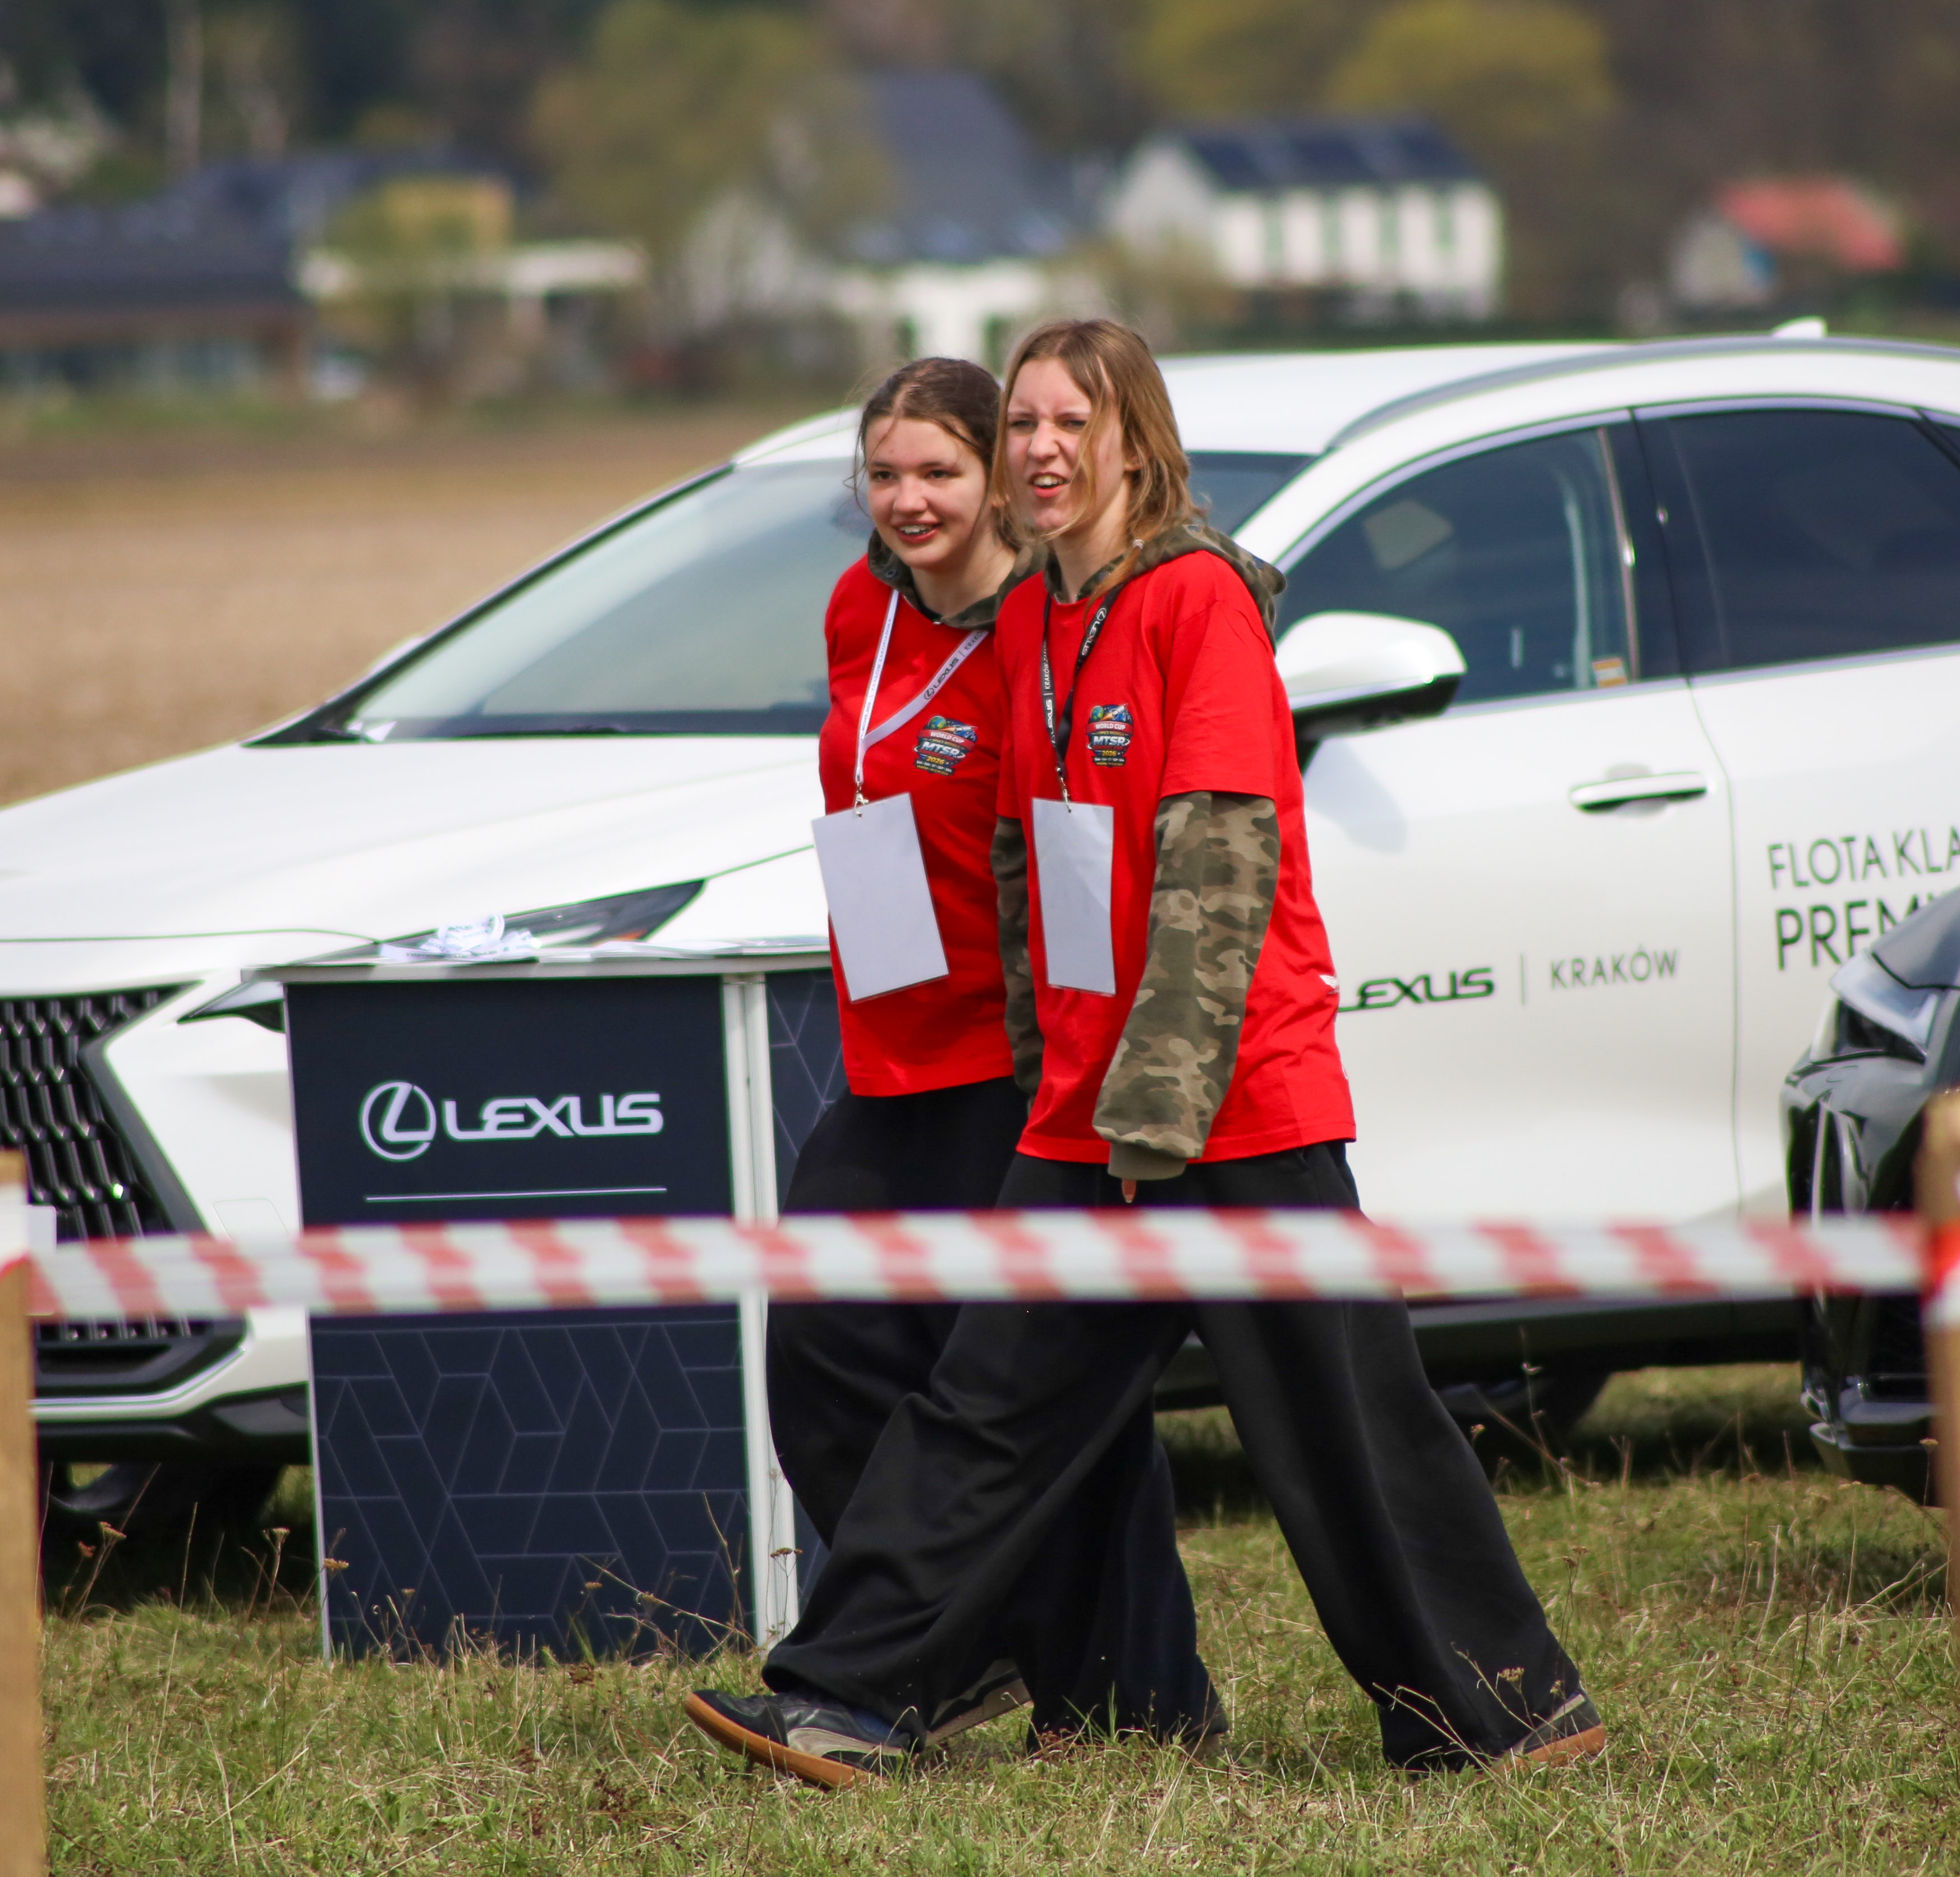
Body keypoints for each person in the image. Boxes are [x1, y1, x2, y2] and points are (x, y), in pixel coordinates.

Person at [687, 320, 1603, 1786]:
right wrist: (1063, 1083)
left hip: (1231, 1110)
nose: (1044, 450)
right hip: (1086, 1119)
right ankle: (850, 1695)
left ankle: (1506, 1712)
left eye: (1073, 423)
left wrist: (1159, 1111)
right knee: (983, 1409)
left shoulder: (1199, 604)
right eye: (1026, 425)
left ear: (1133, 444)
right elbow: (1020, 869)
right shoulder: (1039, 617)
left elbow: (1223, 861)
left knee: (1347, 1433)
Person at [755, 357, 1219, 1760]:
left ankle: (1137, 1703)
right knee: (825, 1352)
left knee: (1044, 1398)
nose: (909, 500)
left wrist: (1101, 1054)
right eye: (884, 475)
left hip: (1014, 1062)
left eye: (939, 472)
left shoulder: (1043, 624)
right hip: (890, 1051)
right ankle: (979, 1657)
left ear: (1001, 482)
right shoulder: (860, 612)